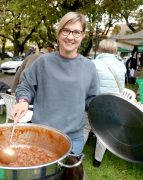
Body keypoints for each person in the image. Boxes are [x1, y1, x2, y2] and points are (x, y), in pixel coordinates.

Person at [11, 11, 99, 155]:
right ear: (58, 33)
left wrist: (110, 110)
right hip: (41, 135)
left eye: (76, 32)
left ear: (83, 35)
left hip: (73, 139)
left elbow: (92, 102)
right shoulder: (42, 62)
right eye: (66, 31)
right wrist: (23, 101)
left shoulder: (89, 67)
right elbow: (25, 85)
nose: (70, 37)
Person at [84, 39, 126, 167]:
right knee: (104, 132)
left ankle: (75, 155)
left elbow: (86, 85)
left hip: (93, 101)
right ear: (114, 50)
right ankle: (97, 161)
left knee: (85, 128)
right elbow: (122, 88)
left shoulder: (93, 63)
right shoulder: (121, 65)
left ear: (100, 49)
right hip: (112, 103)